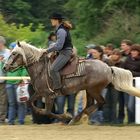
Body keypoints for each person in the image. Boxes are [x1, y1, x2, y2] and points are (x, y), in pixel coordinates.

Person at [45, 13, 73, 95]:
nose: (51, 21)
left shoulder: (60, 30)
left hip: (65, 53)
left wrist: (47, 51)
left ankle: (58, 90)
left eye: (52, 19)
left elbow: (59, 46)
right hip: (63, 51)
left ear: (56, 20)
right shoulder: (60, 29)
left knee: (53, 69)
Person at [6, 42, 28, 125]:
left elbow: (24, 69)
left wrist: (21, 79)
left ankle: (21, 121)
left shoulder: (21, 59)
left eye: (13, 49)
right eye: (11, 48)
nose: (11, 50)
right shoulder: (7, 59)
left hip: (18, 83)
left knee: (20, 103)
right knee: (11, 103)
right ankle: (11, 121)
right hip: (9, 83)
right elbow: (4, 69)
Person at [120, 44, 140, 124]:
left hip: (137, 84)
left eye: (135, 51)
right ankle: (130, 121)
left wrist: (130, 73)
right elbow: (122, 69)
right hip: (127, 84)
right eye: (132, 51)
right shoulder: (127, 59)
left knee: (132, 105)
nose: (133, 52)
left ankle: (135, 120)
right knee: (127, 105)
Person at [103, 49, 123, 124]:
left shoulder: (121, 63)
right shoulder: (107, 61)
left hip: (116, 86)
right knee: (106, 103)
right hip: (107, 85)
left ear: (119, 56)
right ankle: (106, 120)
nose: (115, 55)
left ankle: (113, 120)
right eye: (113, 54)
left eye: (117, 54)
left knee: (114, 104)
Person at [0, 36, 10, 124]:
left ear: (2, 43)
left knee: (3, 100)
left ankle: (2, 118)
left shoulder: (8, 53)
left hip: (4, 79)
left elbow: (10, 66)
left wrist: (3, 61)